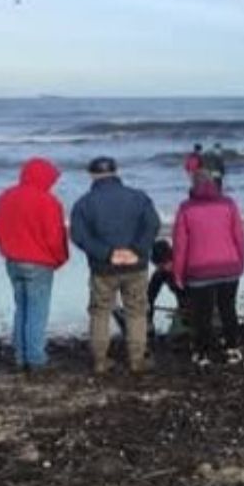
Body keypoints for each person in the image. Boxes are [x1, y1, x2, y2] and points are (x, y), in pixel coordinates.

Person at [70, 157, 161, 375]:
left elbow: (79, 236)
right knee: (136, 311)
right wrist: (136, 250)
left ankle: (100, 361)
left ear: (91, 175)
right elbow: (152, 225)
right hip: (135, 266)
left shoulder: (84, 203)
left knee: (100, 312)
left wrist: (108, 254)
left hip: (103, 268)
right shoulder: (139, 198)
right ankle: (136, 359)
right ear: (116, 172)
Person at [0, 158, 70, 370]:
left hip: (13, 261)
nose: (53, 184)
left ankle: (20, 355)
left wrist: (8, 248)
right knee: (37, 310)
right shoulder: (49, 202)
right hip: (39, 263)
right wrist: (60, 259)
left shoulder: (5, 197)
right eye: (51, 180)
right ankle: (35, 359)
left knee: (22, 308)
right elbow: (55, 238)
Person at [172, 175, 244, 366]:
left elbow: (180, 244)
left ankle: (202, 352)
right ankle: (232, 349)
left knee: (201, 314)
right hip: (228, 266)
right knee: (228, 309)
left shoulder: (186, 208)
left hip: (198, 270)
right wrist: (240, 263)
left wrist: (178, 273)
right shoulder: (229, 204)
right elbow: (239, 237)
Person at [147, 240, 187, 339]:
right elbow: (149, 297)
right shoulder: (160, 274)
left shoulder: (185, 266)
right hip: (183, 306)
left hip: (202, 305)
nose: (163, 267)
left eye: (165, 263)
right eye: (159, 265)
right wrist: (148, 320)